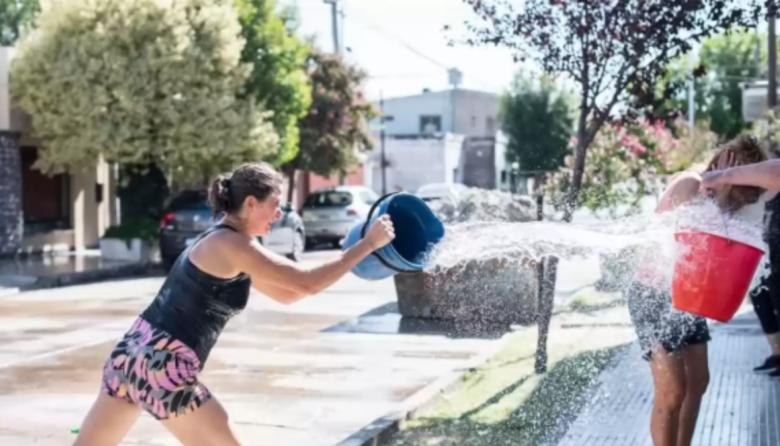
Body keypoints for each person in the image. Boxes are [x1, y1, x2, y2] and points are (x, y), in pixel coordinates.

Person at [73, 162, 396, 446]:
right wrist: (368, 245)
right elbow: (305, 282)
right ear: (252, 203)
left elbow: (289, 293)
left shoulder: (221, 240)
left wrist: (350, 258)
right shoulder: (232, 244)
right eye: (276, 204)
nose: (280, 213)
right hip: (163, 363)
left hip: (129, 356)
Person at [628, 135, 769, 446]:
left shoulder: (723, 204)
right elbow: (670, 233)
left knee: (698, 381)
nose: (741, 195)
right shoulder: (690, 184)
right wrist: (717, 188)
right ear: (723, 162)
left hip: (687, 296)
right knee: (672, 389)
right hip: (653, 293)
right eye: (738, 177)